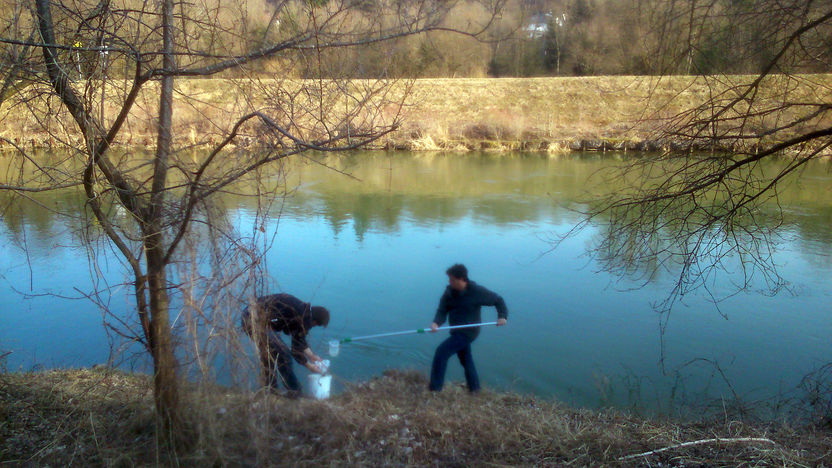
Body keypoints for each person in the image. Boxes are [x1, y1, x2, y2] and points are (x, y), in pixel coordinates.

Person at [429, 264, 508, 393]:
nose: (449, 282)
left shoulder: (477, 292)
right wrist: (436, 323)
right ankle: (475, 389)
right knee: (466, 359)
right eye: (449, 279)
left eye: (452, 279)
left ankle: (435, 390)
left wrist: (502, 316)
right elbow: (442, 310)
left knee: (441, 353)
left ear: (462, 279)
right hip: (456, 330)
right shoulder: (449, 292)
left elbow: (498, 300)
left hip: (469, 332)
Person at [241, 293, 329, 398]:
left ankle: (270, 391)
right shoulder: (302, 316)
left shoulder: (302, 311)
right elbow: (295, 350)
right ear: (314, 320)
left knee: (270, 354)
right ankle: (295, 392)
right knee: (284, 355)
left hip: (251, 316)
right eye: (316, 324)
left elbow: (299, 339)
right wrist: (310, 366)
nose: (313, 326)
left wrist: (312, 356)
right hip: (252, 320)